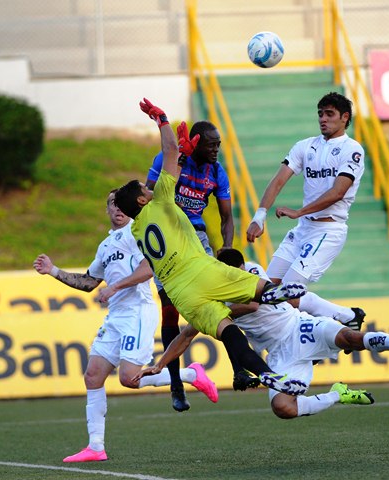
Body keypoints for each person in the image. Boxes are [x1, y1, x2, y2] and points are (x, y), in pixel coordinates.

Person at [113, 98, 309, 397]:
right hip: (200, 269)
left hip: (182, 293)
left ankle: (270, 376)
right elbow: (168, 151)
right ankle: (274, 294)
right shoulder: (162, 200)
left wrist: (161, 363)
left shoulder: (137, 230)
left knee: (230, 335)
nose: (149, 188)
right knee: (256, 290)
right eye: (144, 189)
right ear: (143, 200)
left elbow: (173, 162)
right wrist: (161, 118)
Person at [33, 190, 218, 463]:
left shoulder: (139, 231)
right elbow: (88, 282)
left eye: (121, 203)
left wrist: (116, 286)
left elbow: (150, 268)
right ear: (107, 210)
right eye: (111, 203)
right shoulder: (105, 246)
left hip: (138, 313)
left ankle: (190, 375)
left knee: (129, 378)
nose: (117, 208)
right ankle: (96, 447)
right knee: (93, 375)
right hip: (116, 316)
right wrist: (54, 270)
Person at [133, 248, 389, 419]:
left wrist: (221, 315)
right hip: (280, 354)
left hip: (300, 328)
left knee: (348, 339)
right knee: (283, 408)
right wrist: (160, 364)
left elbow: (250, 304)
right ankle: (337, 395)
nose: (240, 275)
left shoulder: (252, 273)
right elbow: (185, 335)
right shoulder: (211, 296)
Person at [246, 91, 366, 330]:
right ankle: (345, 317)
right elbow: (278, 180)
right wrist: (260, 216)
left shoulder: (352, 150)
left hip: (328, 230)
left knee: (287, 295)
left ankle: (331, 325)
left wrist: (299, 212)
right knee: (267, 291)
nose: (323, 119)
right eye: (320, 114)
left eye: (329, 114)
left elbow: (338, 192)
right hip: (303, 229)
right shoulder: (305, 146)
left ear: (344, 118)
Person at [145, 121, 239, 412]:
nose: (216, 150)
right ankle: (175, 383)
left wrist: (226, 246)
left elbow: (226, 218)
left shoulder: (217, 172)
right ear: (195, 143)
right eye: (211, 144)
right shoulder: (170, 161)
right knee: (170, 307)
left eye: (219, 144)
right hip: (167, 234)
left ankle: (240, 367)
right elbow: (146, 197)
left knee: (217, 303)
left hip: (196, 237)